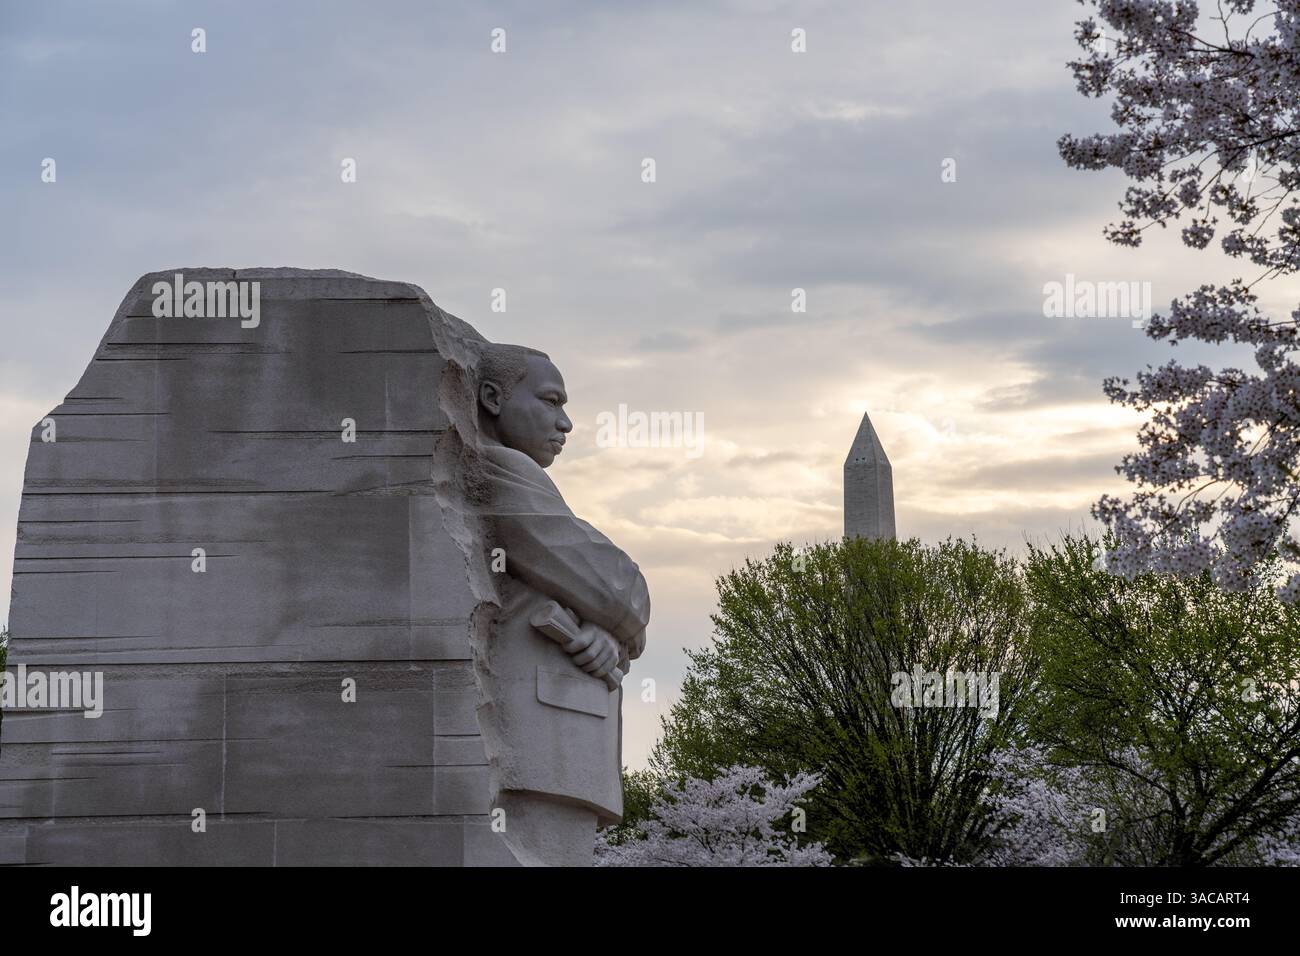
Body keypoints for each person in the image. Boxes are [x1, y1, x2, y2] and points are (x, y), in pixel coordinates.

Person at [474, 343, 650, 866]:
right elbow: (618, 588)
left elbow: (590, 595)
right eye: (551, 402)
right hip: (540, 737)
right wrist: (621, 617)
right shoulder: (499, 468)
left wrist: (610, 636)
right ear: (491, 398)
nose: (566, 423)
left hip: (555, 738)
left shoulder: (519, 475)